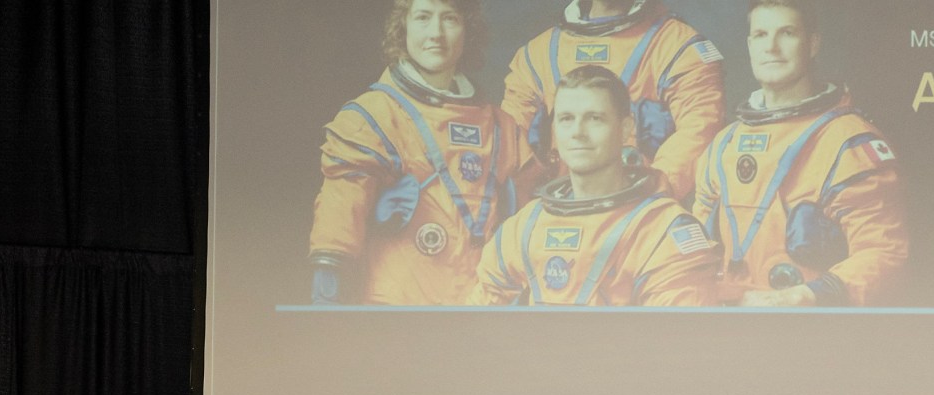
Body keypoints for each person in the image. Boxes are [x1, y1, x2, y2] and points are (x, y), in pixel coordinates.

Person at [308, 0, 528, 307]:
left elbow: (531, 220)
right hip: (397, 310)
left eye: (449, 19)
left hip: (482, 309)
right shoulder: (373, 116)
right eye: (423, 17)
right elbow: (341, 206)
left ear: (468, 31)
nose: (436, 33)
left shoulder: (501, 127)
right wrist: (329, 272)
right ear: (403, 28)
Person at [694, 1, 906, 307]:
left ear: (813, 43)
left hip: (810, 326)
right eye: (762, 35)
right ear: (750, 45)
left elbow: (883, 252)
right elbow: (692, 255)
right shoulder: (723, 146)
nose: (772, 47)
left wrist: (803, 296)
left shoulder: (848, 143)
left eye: (787, 33)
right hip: (729, 323)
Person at [472, 66, 720, 307]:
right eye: (567, 119)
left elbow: (677, 340)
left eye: (594, 118)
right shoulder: (525, 226)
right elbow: (476, 323)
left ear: (625, 129)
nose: (578, 132)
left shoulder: (662, 230)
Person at [503, 0, 725, 206]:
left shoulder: (678, 47)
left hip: (641, 214)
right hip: (557, 211)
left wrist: (644, 198)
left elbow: (700, 129)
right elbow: (506, 142)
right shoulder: (539, 54)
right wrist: (535, 210)